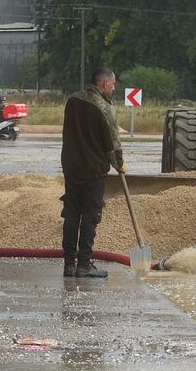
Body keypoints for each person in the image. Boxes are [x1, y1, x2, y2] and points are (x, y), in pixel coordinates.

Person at [60, 67, 125, 278]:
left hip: (71, 167)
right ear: (104, 84)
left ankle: (69, 264)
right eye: (113, 84)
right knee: (90, 216)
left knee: (71, 215)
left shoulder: (72, 101)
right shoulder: (104, 108)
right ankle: (84, 265)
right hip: (93, 170)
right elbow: (113, 142)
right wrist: (120, 164)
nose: (114, 88)